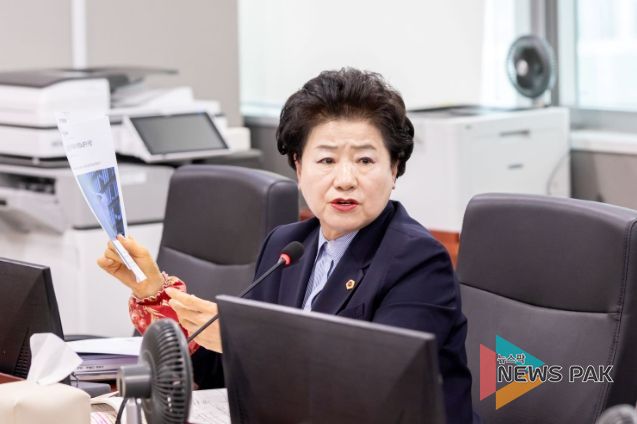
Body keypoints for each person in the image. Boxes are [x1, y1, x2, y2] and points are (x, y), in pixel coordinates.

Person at [98, 68, 479, 423]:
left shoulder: (417, 260)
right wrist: (157, 294)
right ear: (298, 167)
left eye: (365, 160)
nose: (345, 179)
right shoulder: (287, 246)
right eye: (326, 160)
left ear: (394, 168)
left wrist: (247, 342)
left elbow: (379, 390)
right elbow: (226, 373)